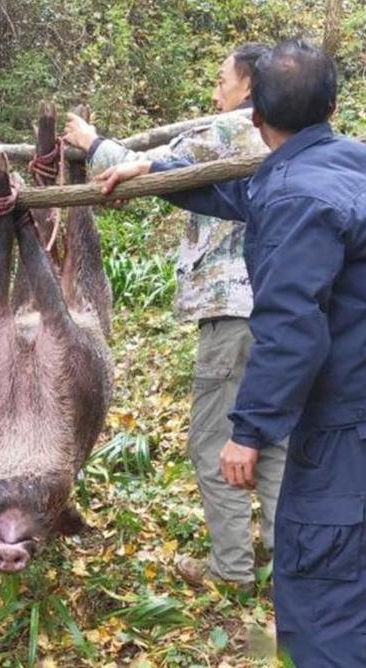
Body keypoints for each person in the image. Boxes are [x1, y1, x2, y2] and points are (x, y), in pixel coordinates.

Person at [96, 39, 366, 666]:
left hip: (346, 425)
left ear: (254, 117)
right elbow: (238, 198)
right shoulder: (343, 163)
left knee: (324, 596)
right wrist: (154, 173)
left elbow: (293, 327)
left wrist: (249, 430)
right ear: (330, 104)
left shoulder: (298, 197)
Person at [64, 43, 285, 593]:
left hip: (233, 317)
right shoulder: (287, 137)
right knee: (277, 438)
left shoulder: (232, 129)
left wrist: (90, 143)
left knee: (216, 440)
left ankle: (231, 570)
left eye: (222, 81)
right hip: (281, 314)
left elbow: (151, 168)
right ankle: (289, 562)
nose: (215, 93)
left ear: (249, 90)